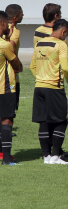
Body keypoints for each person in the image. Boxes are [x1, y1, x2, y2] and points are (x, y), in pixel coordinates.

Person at [30, 19, 68, 165]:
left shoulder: (40, 43)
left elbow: (32, 66)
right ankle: (55, 155)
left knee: (43, 121)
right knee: (62, 120)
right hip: (54, 88)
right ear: (63, 31)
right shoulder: (61, 44)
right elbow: (66, 68)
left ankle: (46, 156)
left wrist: (41, 78)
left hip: (39, 87)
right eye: (66, 34)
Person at [0, 11, 23, 165]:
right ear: (2, 24)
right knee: (7, 121)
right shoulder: (5, 45)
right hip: (5, 89)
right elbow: (18, 66)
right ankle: (7, 158)